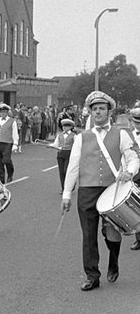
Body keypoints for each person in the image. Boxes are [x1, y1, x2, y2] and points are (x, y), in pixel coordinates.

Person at [61, 91, 139, 291]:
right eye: (94, 109)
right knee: (88, 235)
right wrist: (67, 194)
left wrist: (129, 172)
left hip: (111, 190)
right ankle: (92, 275)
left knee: (112, 232)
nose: (98, 112)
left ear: (108, 112)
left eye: (101, 108)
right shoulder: (82, 137)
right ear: (90, 112)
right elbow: (73, 167)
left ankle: (113, 260)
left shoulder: (120, 134)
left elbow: (132, 158)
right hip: (87, 190)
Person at [0, 104, 19, 184]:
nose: (3, 114)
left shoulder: (12, 121)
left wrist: (15, 144)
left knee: (6, 160)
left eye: (5, 112)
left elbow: (15, 133)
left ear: (7, 112)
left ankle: (10, 173)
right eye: (1, 112)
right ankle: (1, 177)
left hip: (7, 143)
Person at [49, 118, 76, 193]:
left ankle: (71, 185)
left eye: (67, 126)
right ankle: (63, 188)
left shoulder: (74, 135)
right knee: (61, 172)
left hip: (69, 154)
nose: (64, 127)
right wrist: (50, 145)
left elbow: (76, 146)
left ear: (71, 127)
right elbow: (55, 144)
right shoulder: (59, 135)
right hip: (60, 154)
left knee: (66, 171)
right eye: (63, 126)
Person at [127, 107, 140, 250]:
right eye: (136, 123)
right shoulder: (128, 136)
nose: (138, 126)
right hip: (135, 174)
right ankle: (139, 238)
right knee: (136, 207)